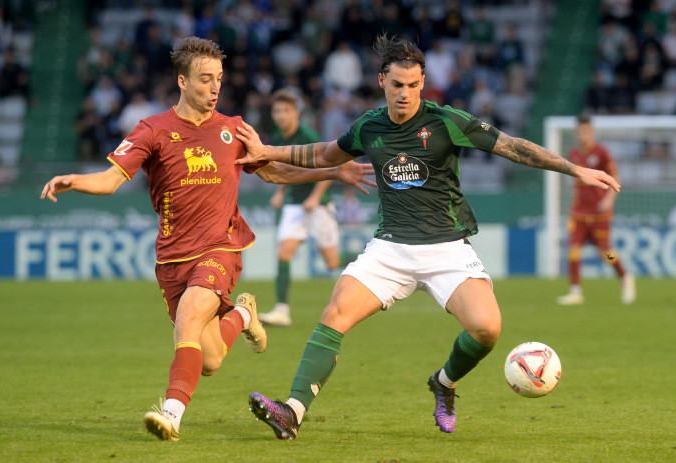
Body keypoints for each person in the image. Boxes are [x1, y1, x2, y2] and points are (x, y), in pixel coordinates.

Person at [234, 34, 620, 440]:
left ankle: (444, 383)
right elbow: (325, 154)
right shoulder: (369, 126)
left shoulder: (446, 121)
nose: (406, 93)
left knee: (488, 329)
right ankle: (291, 412)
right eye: (398, 85)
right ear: (382, 80)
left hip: (447, 249)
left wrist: (575, 170)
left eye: (414, 85)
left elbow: (512, 147)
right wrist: (269, 151)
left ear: (423, 83)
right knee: (334, 314)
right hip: (390, 248)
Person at [40, 37, 375, 442]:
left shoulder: (234, 129)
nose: (215, 88)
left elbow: (272, 172)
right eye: (205, 80)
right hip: (172, 259)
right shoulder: (153, 130)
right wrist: (76, 181)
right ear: (182, 81)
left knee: (188, 320)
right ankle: (245, 315)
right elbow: (112, 179)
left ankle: (170, 414)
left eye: (219, 79)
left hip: (221, 248)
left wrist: (332, 172)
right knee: (211, 358)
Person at [259, 89, 340, 327]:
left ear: (296, 113)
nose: (281, 116)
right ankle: (282, 310)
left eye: (285, 111)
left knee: (332, 263)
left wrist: (315, 197)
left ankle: (369, 255)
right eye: (277, 111)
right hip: (295, 205)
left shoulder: (307, 135)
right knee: (283, 253)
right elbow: (286, 170)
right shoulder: (279, 137)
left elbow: (328, 168)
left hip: (318, 206)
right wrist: (280, 191)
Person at [556, 114, 635, 306]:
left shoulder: (601, 153)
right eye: (581, 131)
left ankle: (625, 277)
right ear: (577, 133)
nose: (584, 135)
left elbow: (615, 176)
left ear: (592, 132)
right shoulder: (573, 154)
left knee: (605, 253)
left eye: (587, 131)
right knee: (573, 249)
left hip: (599, 213)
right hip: (579, 213)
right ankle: (576, 292)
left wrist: (608, 200)